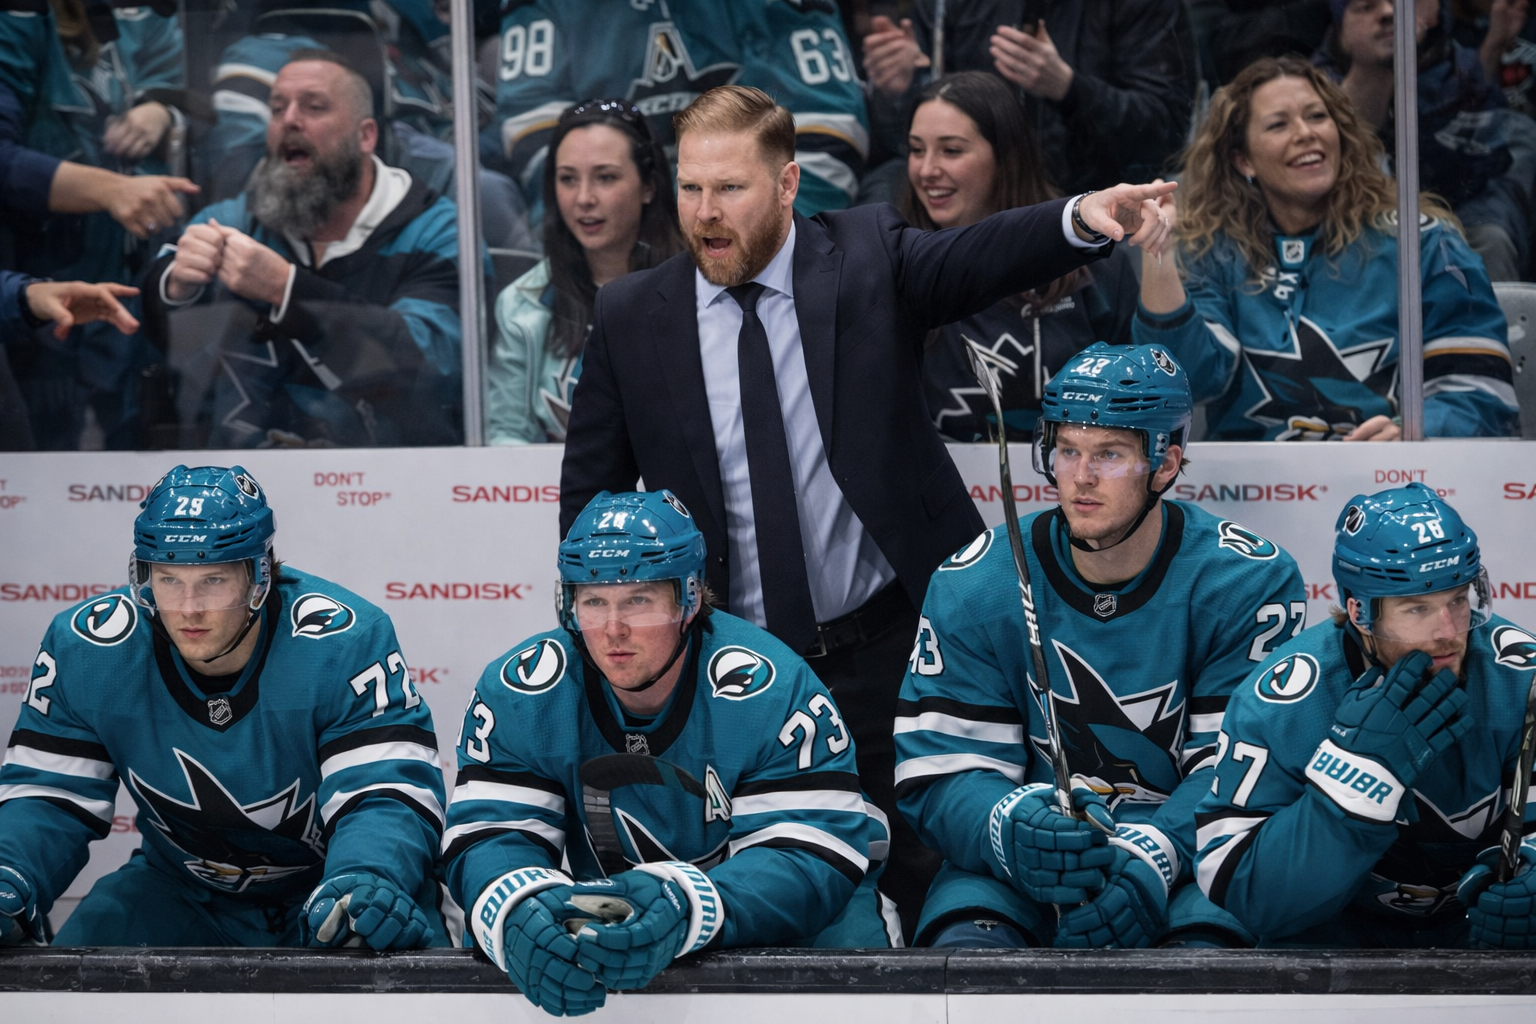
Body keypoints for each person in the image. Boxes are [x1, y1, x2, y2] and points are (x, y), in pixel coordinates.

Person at [559, 84, 1175, 931]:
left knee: (936, 872)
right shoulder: (632, 314)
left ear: (785, 185)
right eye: (691, 188)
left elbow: (976, 256)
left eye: (730, 189)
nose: (705, 212)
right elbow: (587, 501)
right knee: (763, 890)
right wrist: (604, 632)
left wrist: (1082, 217)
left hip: (892, 647)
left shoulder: (863, 254)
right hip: (730, 665)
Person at [893, 344, 1307, 949]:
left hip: (1192, 849)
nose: (1080, 478)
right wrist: (1011, 828)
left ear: (1165, 465)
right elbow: (943, 770)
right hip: (1035, 846)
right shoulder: (976, 583)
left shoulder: (1246, 581)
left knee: (1210, 953)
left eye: (1109, 454)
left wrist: (1155, 854)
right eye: (1067, 451)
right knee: (967, 951)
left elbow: (1242, 772)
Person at [444, 490, 897, 1017]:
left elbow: (806, 854)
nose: (613, 629)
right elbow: (493, 833)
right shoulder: (524, 691)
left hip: (816, 917)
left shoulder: (770, 687)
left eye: (638, 600)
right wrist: (518, 907)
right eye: (594, 601)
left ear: (688, 600)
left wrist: (687, 905)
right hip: (623, 919)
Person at [0, 465, 447, 948]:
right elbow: (48, 797)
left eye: (212, 580)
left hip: (333, 888)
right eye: (169, 579)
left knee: (395, 956)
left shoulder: (344, 642)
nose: (189, 608)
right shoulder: (89, 650)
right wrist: (10, 872)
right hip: (178, 889)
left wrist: (367, 876)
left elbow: (382, 793)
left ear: (260, 574)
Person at [1195, 483, 1536, 948]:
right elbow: (1238, 886)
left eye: (1458, 600)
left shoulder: (1520, 678)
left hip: (1478, 933)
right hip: (1333, 941)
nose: (1449, 632)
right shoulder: (1285, 700)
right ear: (1360, 611)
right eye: (1417, 608)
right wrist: (1350, 792)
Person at [1134, 56, 1517, 441]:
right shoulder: (1214, 251)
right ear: (1243, 160)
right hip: (1252, 492)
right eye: (1279, 124)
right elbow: (1187, 382)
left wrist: (1413, 434)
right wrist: (1160, 254)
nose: (1305, 133)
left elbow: (1481, 390)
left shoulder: (1426, 243)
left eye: (1317, 116)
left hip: (1395, 487)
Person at [143, 50, 463, 448]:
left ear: (366, 136)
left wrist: (287, 290)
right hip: (246, 486)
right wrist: (176, 285)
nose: (289, 120)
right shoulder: (237, 221)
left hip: (393, 485)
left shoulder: (436, 230)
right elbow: (149, 313)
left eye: (314, 107)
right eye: (277, 109)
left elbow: (430, 370)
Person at [0, 0, 199, 449]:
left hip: (136, 266)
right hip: (39, 271)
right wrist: (110, 189)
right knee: (46, 447)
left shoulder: (149, 15)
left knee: (140, 437)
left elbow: (200, 101)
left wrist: (164, 110)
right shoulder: (21, 17)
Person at [902, 72, 1138, 442]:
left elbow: (1148, 398)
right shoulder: (895, 264)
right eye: (917, 150)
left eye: (951, 150)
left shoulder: (1095, 261)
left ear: (1006, 157)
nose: (927, 170)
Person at [198, 0, 532, 251]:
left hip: (426, 163)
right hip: (357, 202)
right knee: (486, 192)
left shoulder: (414, 29)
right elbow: (234, 173)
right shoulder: (271, 50)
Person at [494, 0, 869, 219]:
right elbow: (534, 132)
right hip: (616, 241)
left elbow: (827, 134)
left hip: (745, 234)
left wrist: (758, 241)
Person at [486, 99, 682, 444]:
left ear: (648, 186)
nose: (584, 198)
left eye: (605, 177)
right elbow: (506, 434)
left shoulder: (702, 290)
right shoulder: (521, 304)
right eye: (567, 179)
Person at [860, 0, 1197, 194]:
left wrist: (1069, 89)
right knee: (885, 194)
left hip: (1096, 204)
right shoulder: (950, 5)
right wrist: (901, 90)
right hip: (976, 205)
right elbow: (902, 146)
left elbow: (1166, 134)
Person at [1316, 0, 1530, 281]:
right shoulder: (1317, 82)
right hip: (1368, 218)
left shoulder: (1457, 63)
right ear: (1342, 24)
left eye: (1400, 3)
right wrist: (1373, 67)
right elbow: (1343, 151)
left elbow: (1483, 156)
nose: (1388, 13)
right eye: (1366, 6)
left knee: (1491, 239)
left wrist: (1494, 45)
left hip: (1465, 205)